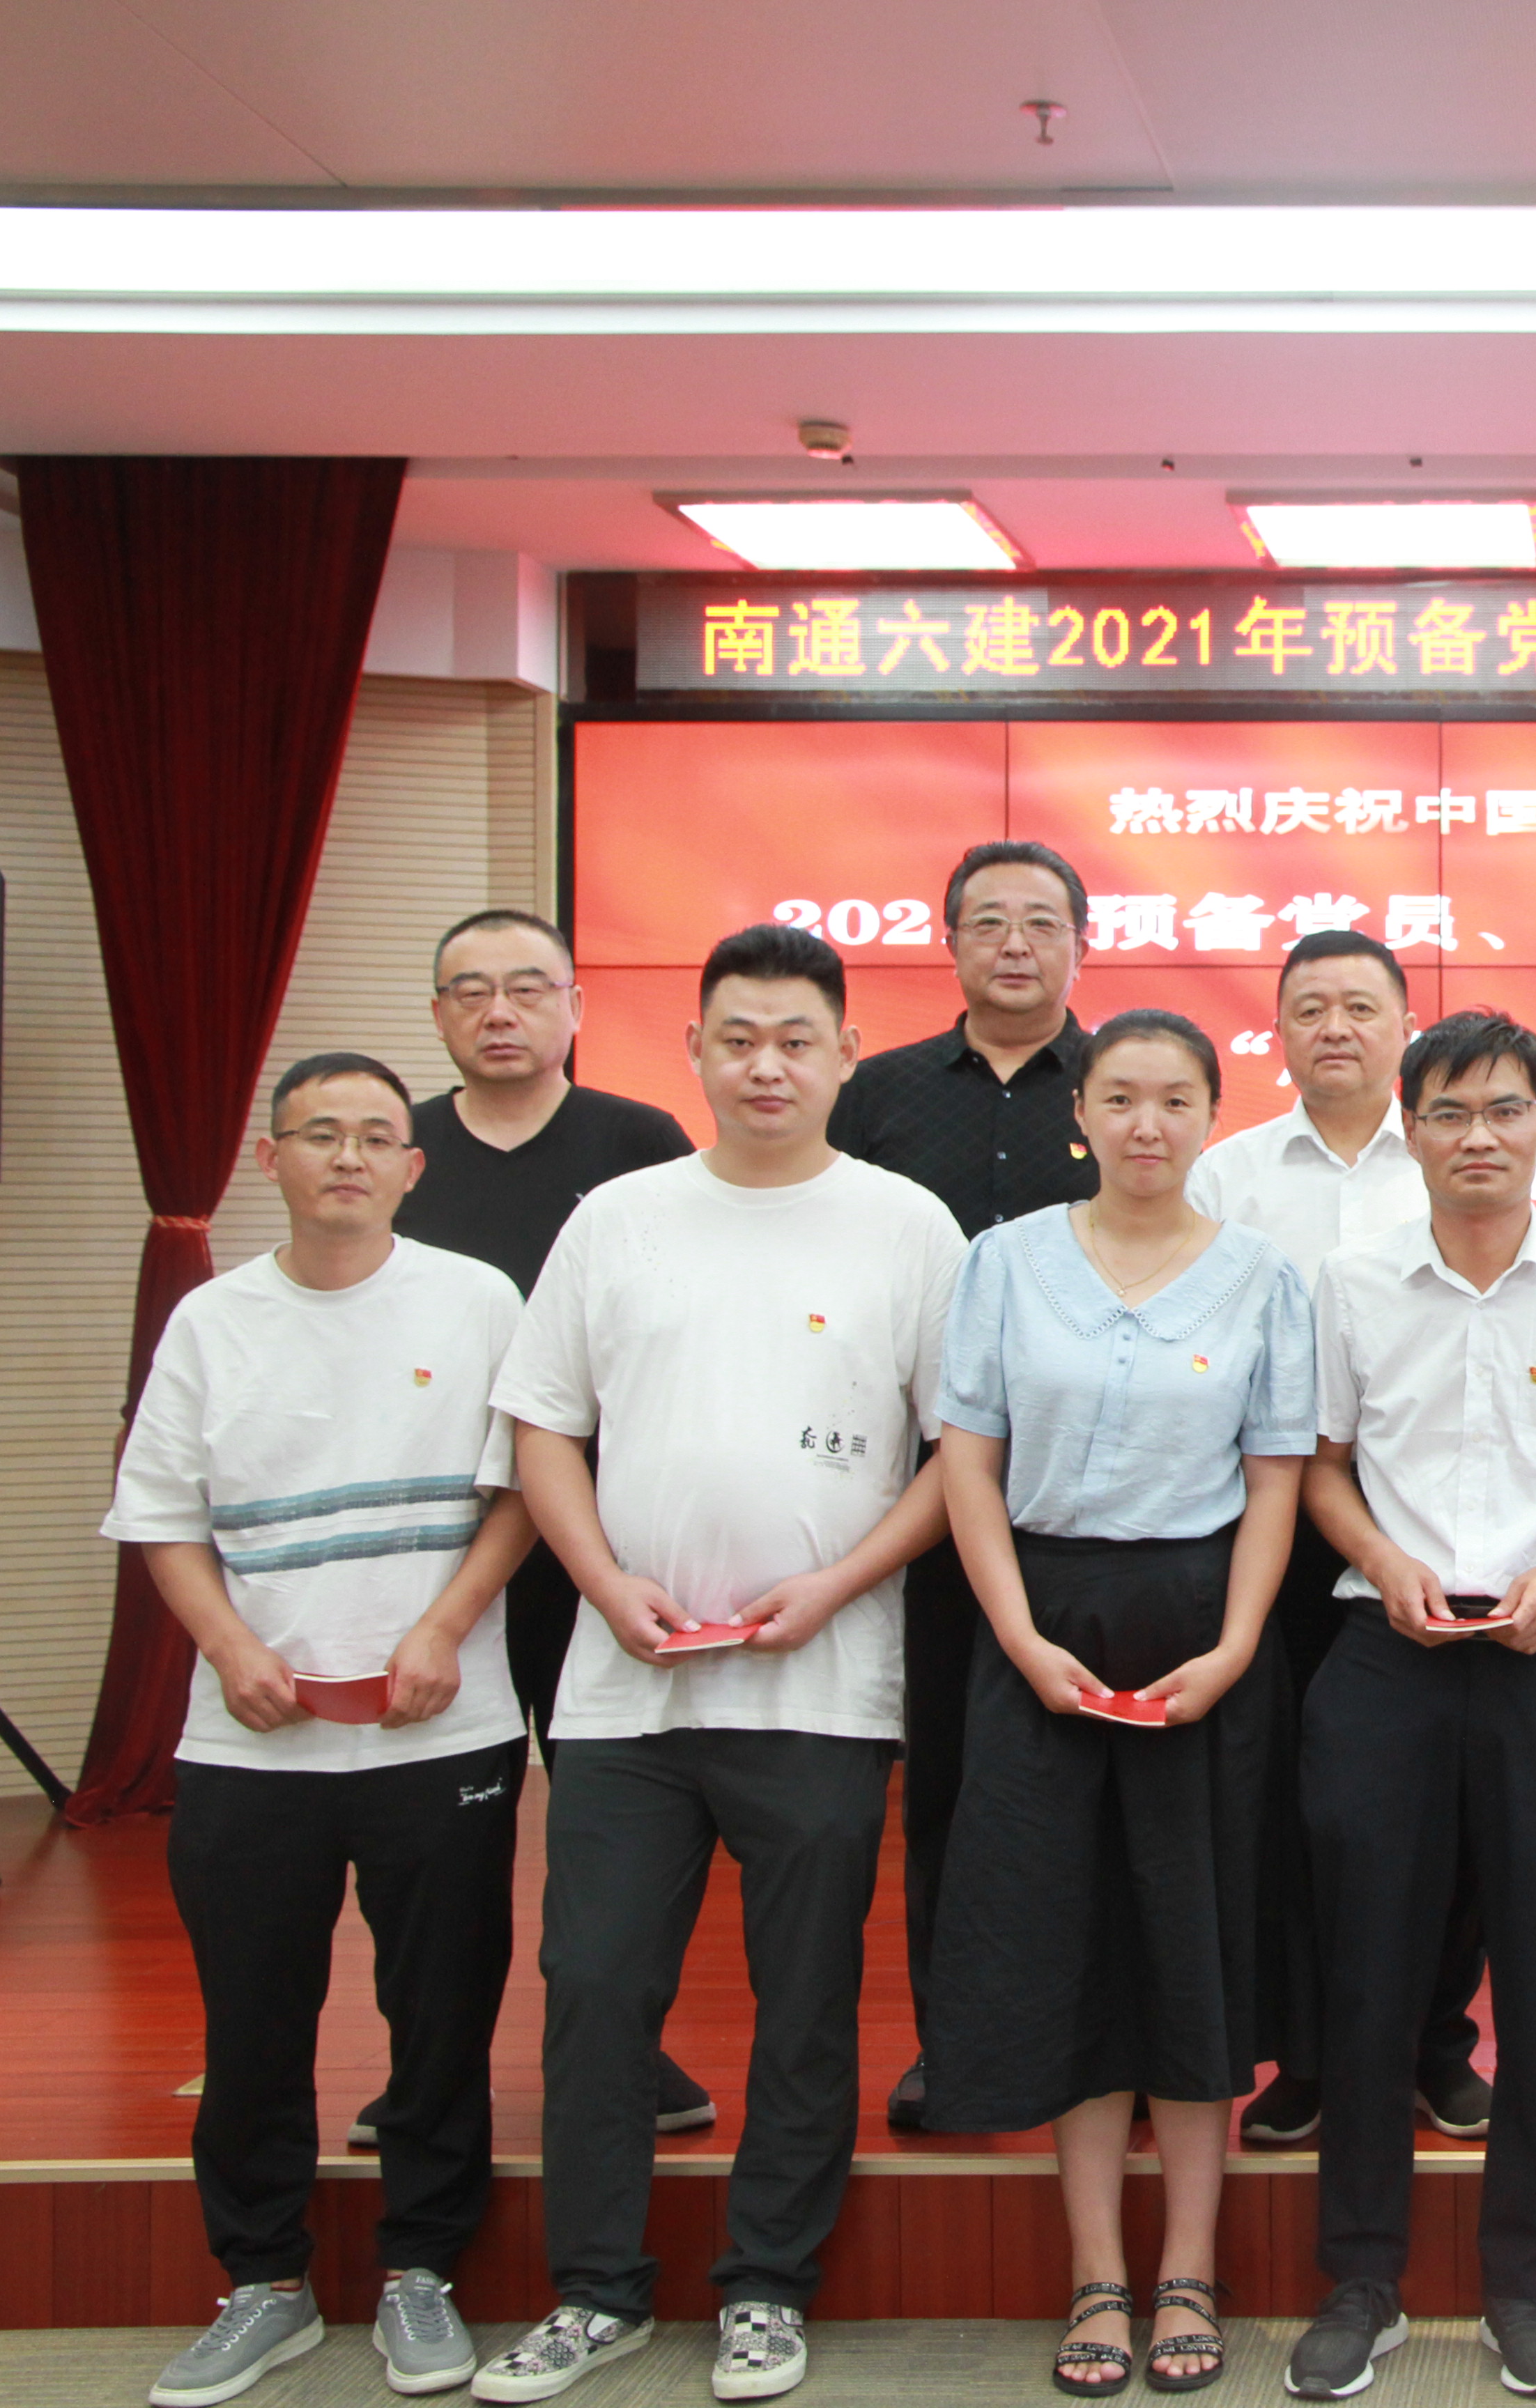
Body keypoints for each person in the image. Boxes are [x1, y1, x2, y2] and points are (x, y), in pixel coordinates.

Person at [473, 924, 967, 2407]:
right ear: (689, 1048)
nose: (766, 1066)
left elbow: (961, 1454)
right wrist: (600, 1583)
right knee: (594, 1988)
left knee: (804, 2000)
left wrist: (838, 1584)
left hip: (821, 1688)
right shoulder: (617, 1219)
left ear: (845, 1056)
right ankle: (596, 2292)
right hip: (625, 1692)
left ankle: (766, 2287)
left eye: (796, 1041)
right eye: (738, 1038)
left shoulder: (908, 1226)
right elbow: (542, 1427)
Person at [109, 1053, 535, 2408]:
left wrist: (444, 1627)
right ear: (271, 1159)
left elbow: (524, 1493)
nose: (348, 1157)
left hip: (443, 1730)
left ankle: (422, 2270)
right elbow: (162, 1517)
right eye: (320, 1134)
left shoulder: (477, 1301)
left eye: (375, 1137)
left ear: (413, 1166)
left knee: (442, 2016)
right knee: (251, 2023)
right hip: (252, 1744)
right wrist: (231, 1649)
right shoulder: (212, 1321)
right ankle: (264, 2283)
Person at [921, 1009, 1315, 2398]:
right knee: (1066, 1951)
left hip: (1202, 1631)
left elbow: (1276, 1479)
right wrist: (1018, 1638)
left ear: (1212, 1115)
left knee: (1193, 1951)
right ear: (1080, 1112)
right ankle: (1097, 2273)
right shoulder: (1003, 1261)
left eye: (1176, 1099)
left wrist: (1240, 1643)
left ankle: (1189, 2268)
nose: (1148, 1124)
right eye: (1122, 1098)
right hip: (1040, 1632)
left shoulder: (1264, 1276)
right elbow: (968, 1464)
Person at [1281, 1010, 1536, 2404]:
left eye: (1505, 1110)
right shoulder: (1350, 1280)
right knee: (1366, 1968)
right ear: (1412, 1129)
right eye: (1447, 1113)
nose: (1478, 1138)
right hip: (1386, 1651)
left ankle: (1522, 2285)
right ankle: (1361, 2279)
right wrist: (1382, 1562)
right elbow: (1320, 1462)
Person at [388, 907, 714, 2150]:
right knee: (441, 1829)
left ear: (575, 1007)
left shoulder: (640, 1146)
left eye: (528, 988)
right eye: (470, 991)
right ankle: (431, 2079)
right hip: (445, 1546)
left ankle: (623, 2051)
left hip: (596, 1544)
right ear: (438, 1015)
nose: (500, 1013)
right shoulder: (403, 1151)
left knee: (607, 1820)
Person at [1185, 930, 1491, 2154]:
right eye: (1309, 1008)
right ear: (1277, 1032)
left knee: (1449, 1797)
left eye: (1360, 1007)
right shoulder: (1227, 1176)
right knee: (1301, 1805)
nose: (1335, 1028)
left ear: (1404, 1028)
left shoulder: (1451, 1154)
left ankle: (1437, 2045)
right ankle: (1309, 2056)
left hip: (1433, 1511)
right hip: (1272, 1515)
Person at [825, 840, 1103, 2133]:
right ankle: (956, 2048)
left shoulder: (1122, 1085)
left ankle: (1107, 2048)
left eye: (1040, 921)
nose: (1014, 943)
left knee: (1101, 1788)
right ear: (947, 943)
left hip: (1099, 1501)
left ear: (1081, 942)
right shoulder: (877, 1094)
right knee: (946, 1782)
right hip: (923, 1496)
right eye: (987, 921)